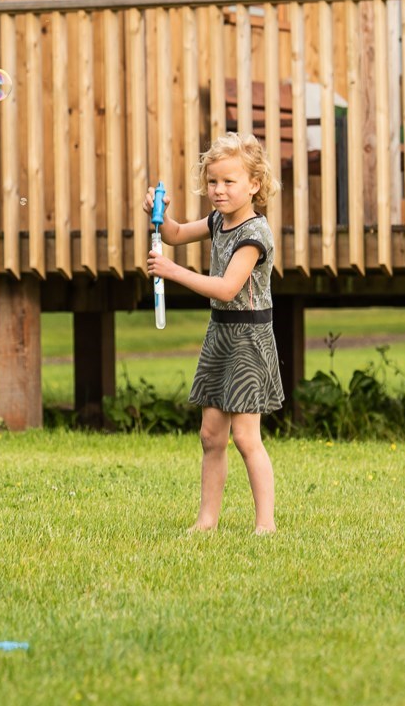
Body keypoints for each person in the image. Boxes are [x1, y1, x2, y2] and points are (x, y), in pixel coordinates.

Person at [144, 132, 283, 535]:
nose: (218, 190)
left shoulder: (255, 234)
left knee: (245, 437)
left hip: (249, 340)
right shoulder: (219, 220)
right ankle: (206, 521)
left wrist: (174, 272)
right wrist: (158, 214)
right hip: (220, 334)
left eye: (229, 182)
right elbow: (173, 235)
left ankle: (265, 523)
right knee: (210, 434)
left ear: (254, 185)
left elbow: (226, 288)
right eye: (212, 182)